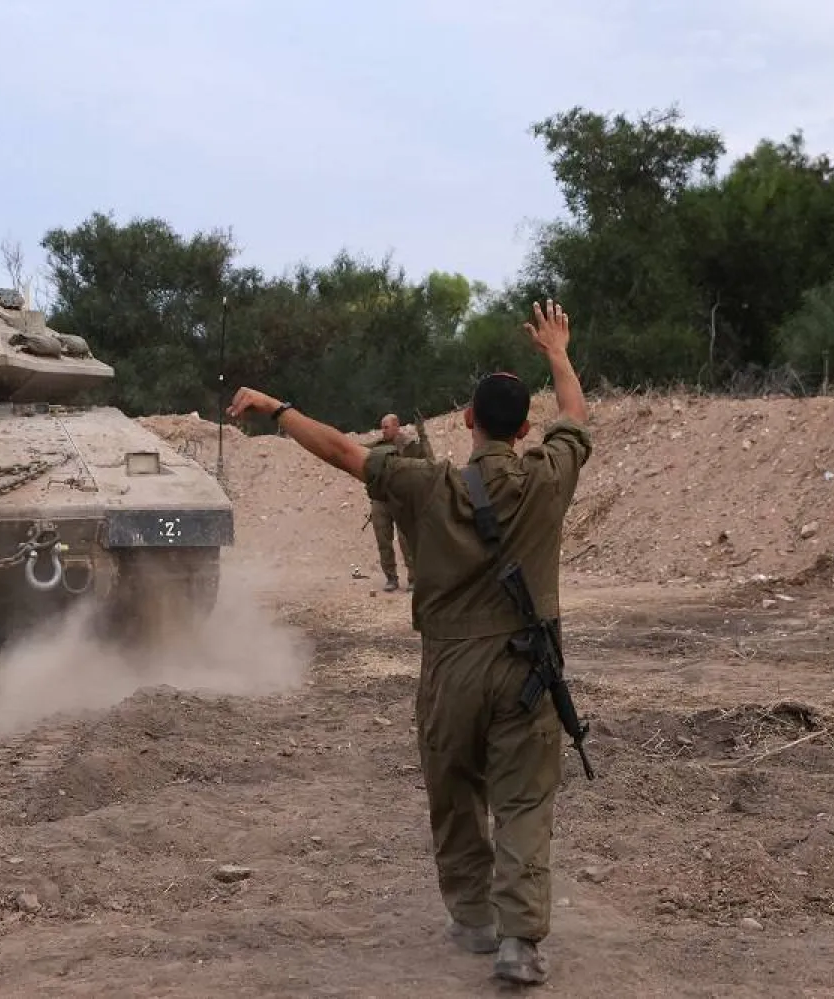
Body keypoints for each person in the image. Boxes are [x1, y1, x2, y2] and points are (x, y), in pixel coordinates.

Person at [226, 300, 590, 987]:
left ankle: (474, 919)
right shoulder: (549, 477)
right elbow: (577, 415)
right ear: (526, 429)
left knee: (453, 792)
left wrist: (277, 408)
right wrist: (558, 351)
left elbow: (341, 449)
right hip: (527, 670)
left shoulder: (426, 484)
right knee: (522, 802)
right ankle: (520, 942)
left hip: (450, 669)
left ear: (467, 421)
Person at [367, 413, 428, 592]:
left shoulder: (409, 445)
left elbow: (427, 459)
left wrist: (423, 434)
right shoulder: (378, 447)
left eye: (386, 427)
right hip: (381, 499)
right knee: (383, 540)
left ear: (396, 426)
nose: (383, 431)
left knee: (406, 540)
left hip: (402, 499)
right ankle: (391, 578)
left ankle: (414, 578)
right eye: (382, 427)